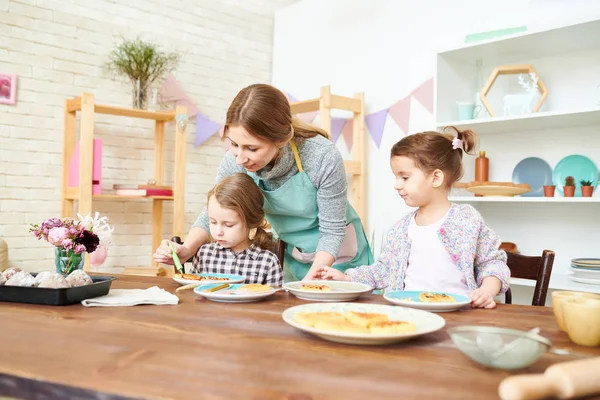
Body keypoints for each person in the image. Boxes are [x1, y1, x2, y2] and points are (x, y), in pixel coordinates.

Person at [154, 83, 373, 282]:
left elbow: (332, 232)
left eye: (252, 148)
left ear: (281, 139)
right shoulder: (234, 161)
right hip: (294, 253)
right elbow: (213, 211)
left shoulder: (321, 156)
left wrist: (309, 284)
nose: (240, 158)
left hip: (337, 255)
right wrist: (187, 249)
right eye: (233, 144)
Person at [305, 127, 511, 309]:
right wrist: (346, 277)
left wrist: (487, 290)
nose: (397, 185)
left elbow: (493, 262)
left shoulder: (467, 220)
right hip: (409, 313)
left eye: (404, 177)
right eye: (396, 177)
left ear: (436, 177)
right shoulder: (401, 228)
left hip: (458, 315)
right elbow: (384, 270)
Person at [190, 173, 283, 286]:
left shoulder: (268, 261)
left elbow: (276, 301)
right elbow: (191, 290)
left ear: (251, 222)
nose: (218, 232)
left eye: (228, 225)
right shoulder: (204, 254)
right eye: (213, 222)